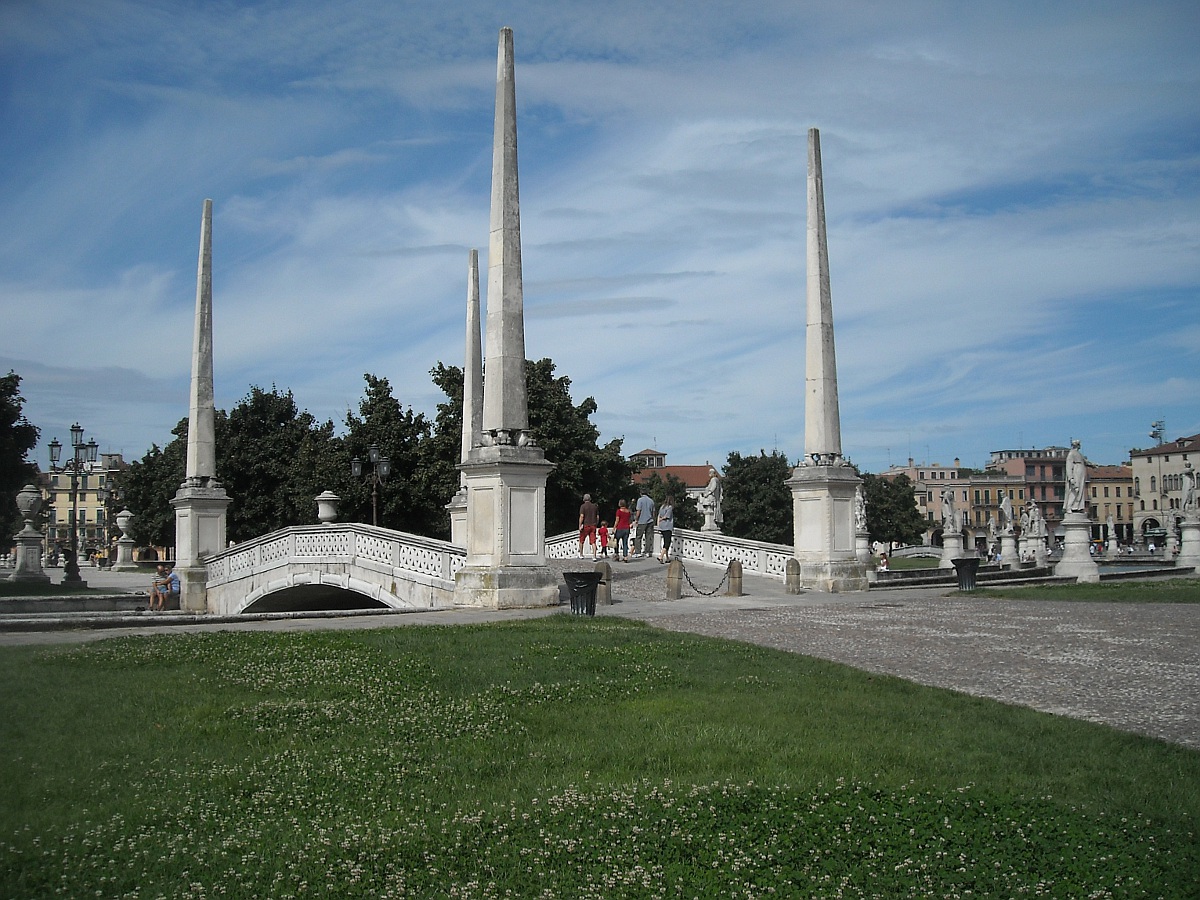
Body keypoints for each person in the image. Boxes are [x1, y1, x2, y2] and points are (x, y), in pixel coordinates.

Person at [1065, 438, 1087, 513]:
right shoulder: (1071, 453)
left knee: (1080, 490)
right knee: (1075, 489)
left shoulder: (1079, 454)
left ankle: (1078, 507)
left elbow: (1085, 461)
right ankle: (1069, 507)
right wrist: (1071, 478)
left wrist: (1093, 465)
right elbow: (1068, 466)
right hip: (1076, 471)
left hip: (1081, 471)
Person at [634, 488, 656, 559]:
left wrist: (636, 519)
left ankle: (638, 552)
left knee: (638, 537)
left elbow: (638, 511)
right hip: (650, 521)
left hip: (642, 521)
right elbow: (653, 512)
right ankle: (647, 552)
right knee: (648, 537)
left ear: (641, 493)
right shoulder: (651, 501)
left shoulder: (640, 500)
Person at [578, 493, 599, 560]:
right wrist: (596, 523)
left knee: (581, 540)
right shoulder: (594, 506)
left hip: (586, 525)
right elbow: (597, 517)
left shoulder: (583, 506)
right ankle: (594, 556)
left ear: (584, 499)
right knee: (593, 541)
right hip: (593, 525)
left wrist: (580, 525)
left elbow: (582, 516)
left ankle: (581, 554)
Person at [656, 494, 675, 563]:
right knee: (667, 543)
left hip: (662, 527)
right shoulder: (669, 507)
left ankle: (667, 558)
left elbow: (658, 516)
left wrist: (658, 524)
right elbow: (667, 516)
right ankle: (660, 556)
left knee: (665, 542)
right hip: (667, 526)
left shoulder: (662, 507)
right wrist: (662, 519)